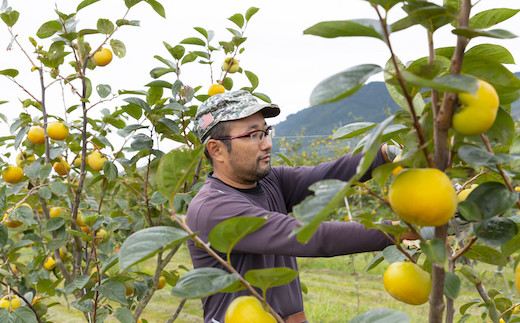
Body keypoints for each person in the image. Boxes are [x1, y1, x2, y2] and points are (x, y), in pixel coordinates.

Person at [186, 90, 399, 323]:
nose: (267, 144)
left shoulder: (270, 182)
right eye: (253, 135)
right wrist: (396, 230)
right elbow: (310, 236)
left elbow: (329, 174)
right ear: (216, 150)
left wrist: (385, 154)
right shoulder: (213, 208)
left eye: (266, 132)